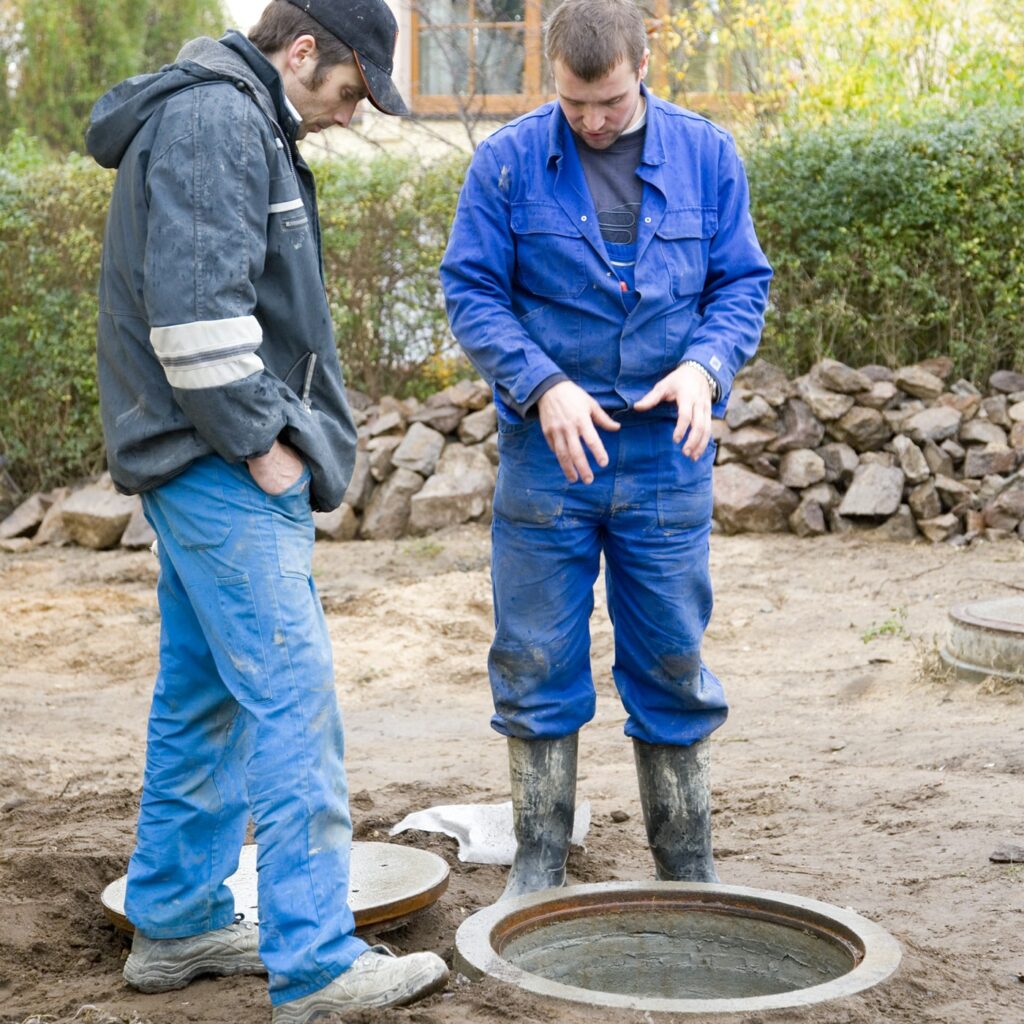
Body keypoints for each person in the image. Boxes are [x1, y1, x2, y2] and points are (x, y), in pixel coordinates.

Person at [85, 1, 448, 1019]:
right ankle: (319, 963)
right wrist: (266, 446)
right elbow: (198, 319)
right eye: (345, 90)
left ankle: (178, 917)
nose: (348, 114)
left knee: (204, 696)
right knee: (295, 700)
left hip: (201, 466)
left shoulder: (232, 114)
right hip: (220, 467)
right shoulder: (217, 121)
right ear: (300, 52)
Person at [440, 0, 772, 899]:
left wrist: (707, 366)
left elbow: (742, 282)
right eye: (575, 104)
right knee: (535, 656)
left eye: (612, 105)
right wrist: (542, 383)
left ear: (643, 66)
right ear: (554, 78)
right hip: (549, 458)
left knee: (671, 656)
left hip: (668, 454)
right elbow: (471, 289)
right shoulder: (507, 164)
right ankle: (539, 865)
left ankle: (687, 869)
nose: (592, 122)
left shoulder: (708, 155)